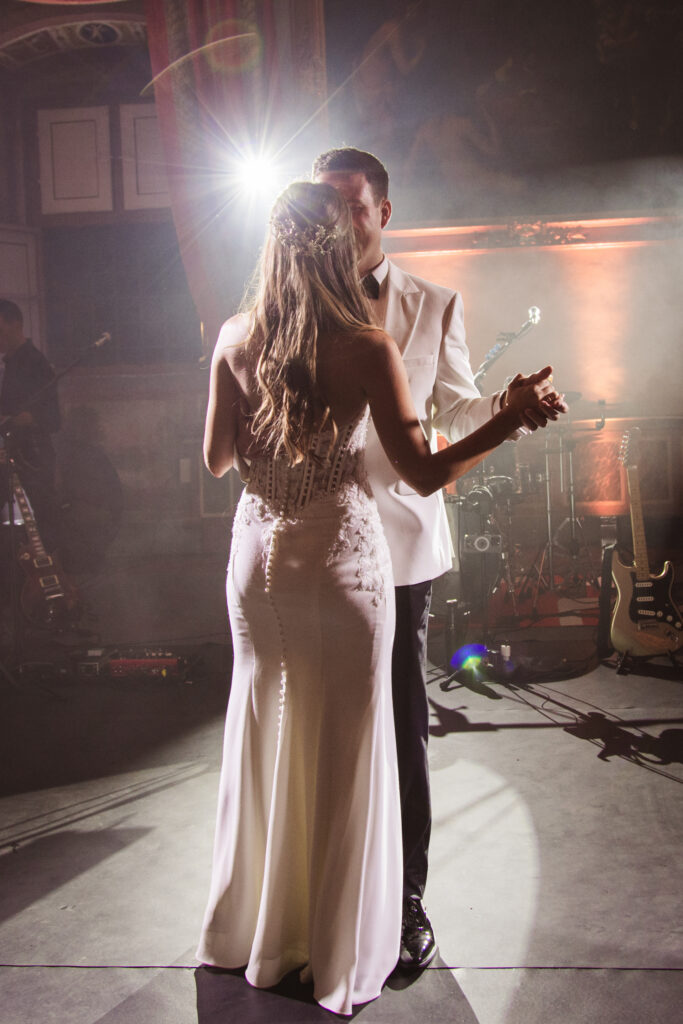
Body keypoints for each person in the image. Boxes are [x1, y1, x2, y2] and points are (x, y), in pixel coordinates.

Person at [197, 180, 565, 1015]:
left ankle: (257, 927)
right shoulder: (365, 345)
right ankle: (332, 942)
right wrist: (509, 422)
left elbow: (217, 458)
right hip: (336, 557)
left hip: (256, 559)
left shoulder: (233, 334)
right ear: (336, 245)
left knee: (265, 727)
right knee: (349, 741)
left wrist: (265, 427)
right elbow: (424, 471)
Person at [312, 147, 563, 968]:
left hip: (403, 540)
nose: (338, 218)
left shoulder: (434, 301)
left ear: (383, 212)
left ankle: (407, 898)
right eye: (324, 203)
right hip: (312, 535)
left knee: (399, 718)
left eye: (352, 204)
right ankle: (325, 885)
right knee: (321, 721)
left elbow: (454, 401)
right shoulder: (293, 299)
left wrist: (505, 403)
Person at [0, 299, 61, 554]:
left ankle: (53, 583)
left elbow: (54, 418)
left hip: (33, 457)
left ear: (14, 324)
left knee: (46, 524)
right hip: (10, 455)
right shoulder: (8, 364)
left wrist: (23, 418)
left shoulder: (35, 362)